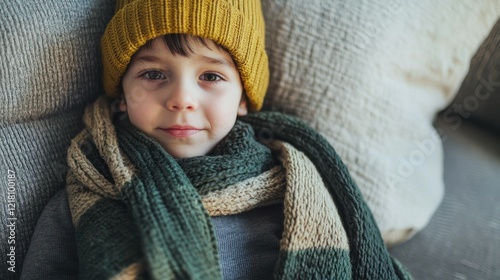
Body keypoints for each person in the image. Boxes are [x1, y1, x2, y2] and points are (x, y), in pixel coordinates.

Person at [21, 0, 412, 279]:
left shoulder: (290, 188)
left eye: (210, 77)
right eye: (154, 74)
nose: (181, 99)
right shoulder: (86, 194)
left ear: (243, 99)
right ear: (121, 96)